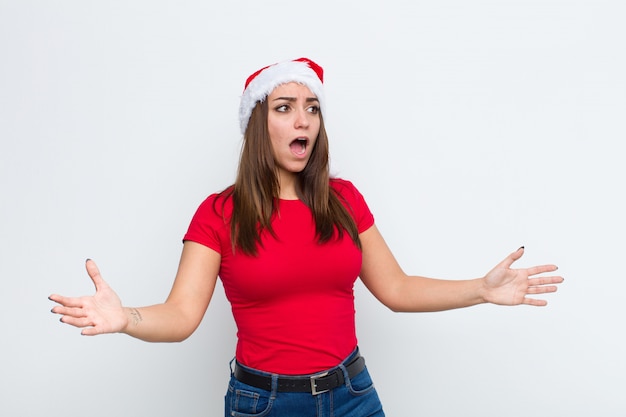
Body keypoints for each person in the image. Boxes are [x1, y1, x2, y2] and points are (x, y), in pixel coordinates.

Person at [49, 57, 564, 417]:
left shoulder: (343, 200)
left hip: (352, 395)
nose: (304, 119)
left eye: (312, 107)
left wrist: (481, 287)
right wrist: (125, 319)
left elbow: (398, 288)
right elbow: (182, 316)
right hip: (263, 403)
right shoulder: (218, 214)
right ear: (258, 123)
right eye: (285, 107)